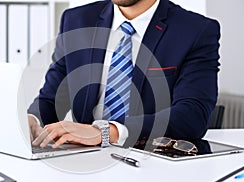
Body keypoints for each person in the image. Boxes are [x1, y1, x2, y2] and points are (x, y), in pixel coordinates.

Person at [28, 0, 220, 149]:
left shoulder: (195, 31)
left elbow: (193, 115)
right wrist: (31, 121)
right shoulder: (76, 20)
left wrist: (106, 132)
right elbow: (52, 98)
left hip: (151, 161)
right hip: (85, 158)